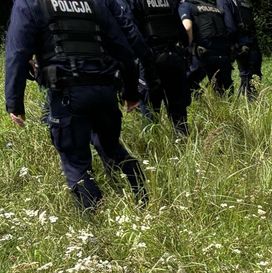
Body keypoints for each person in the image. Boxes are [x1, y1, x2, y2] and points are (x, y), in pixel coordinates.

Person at [5, 0, 148, 210]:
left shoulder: (30, 3)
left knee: (76, 162)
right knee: (113, 148)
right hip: (104, 91)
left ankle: (93, 222)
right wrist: (131, 93)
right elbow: (122, 48)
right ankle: (144, 200)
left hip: (67, 95)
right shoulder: (95, 3)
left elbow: (17, 53)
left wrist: (14, 102)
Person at [132, 0, 190, 132]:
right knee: (178, 110)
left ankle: (156, 148)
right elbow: (182, 32)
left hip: (150, 60)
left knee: (150, 111)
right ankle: (183, 143)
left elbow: (132, 32)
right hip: (173, 56)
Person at [181, 0, 238, 94]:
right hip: (222, 53)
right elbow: (230, 28)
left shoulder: (186, 6)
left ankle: (201, 102)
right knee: (225, 90)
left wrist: (188, 48)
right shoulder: (214, 7)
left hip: (202, 53)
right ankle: (225, 107)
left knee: (188, 83)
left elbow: (187, 28)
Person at [229, 0, 260, 97]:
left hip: (241, 43)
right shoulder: (245, 2)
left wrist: (233, 45)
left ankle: (248, 104)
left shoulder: (229, 2)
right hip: (252, 42)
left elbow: (230, 27)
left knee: (246, 75)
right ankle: (252, 102)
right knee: (254, 74)